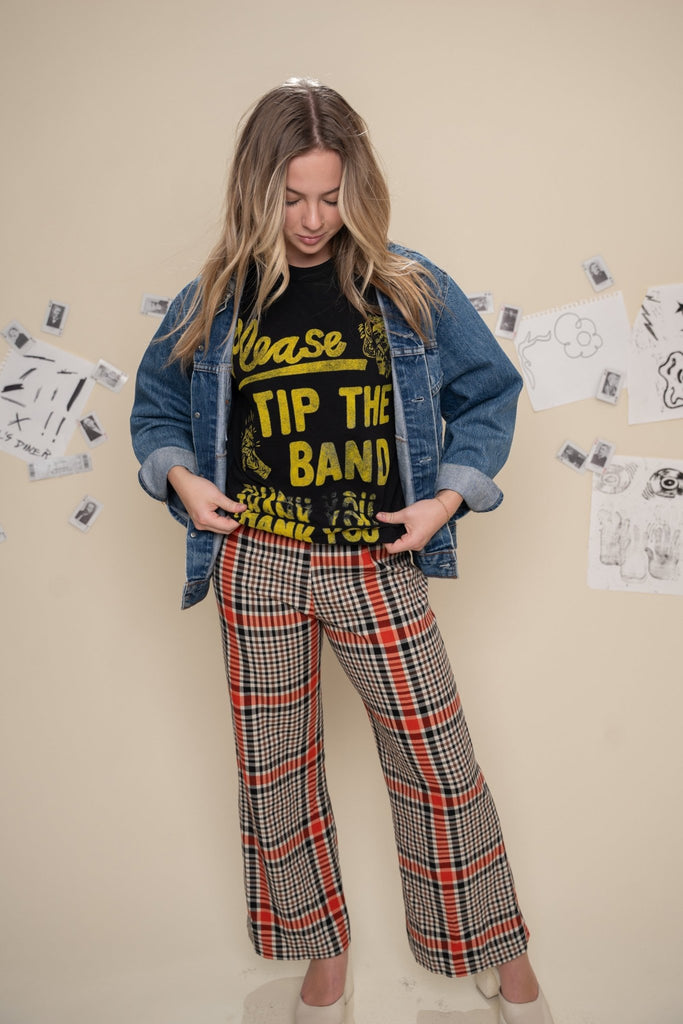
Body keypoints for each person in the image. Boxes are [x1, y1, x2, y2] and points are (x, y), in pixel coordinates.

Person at [131, 79, 554, 1024]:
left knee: (436, 757)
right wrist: (181, 479)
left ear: (356, 185)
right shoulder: (217, 297)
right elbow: (158, 408)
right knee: (276, 767)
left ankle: (494, 948)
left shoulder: (406, 285)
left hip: (374, 558)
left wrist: (447, 496)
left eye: (329, 195)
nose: (312, 219)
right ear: (255, 190)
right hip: (259, 559)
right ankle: (322, 954)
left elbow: (488, 392)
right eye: (291, 197)